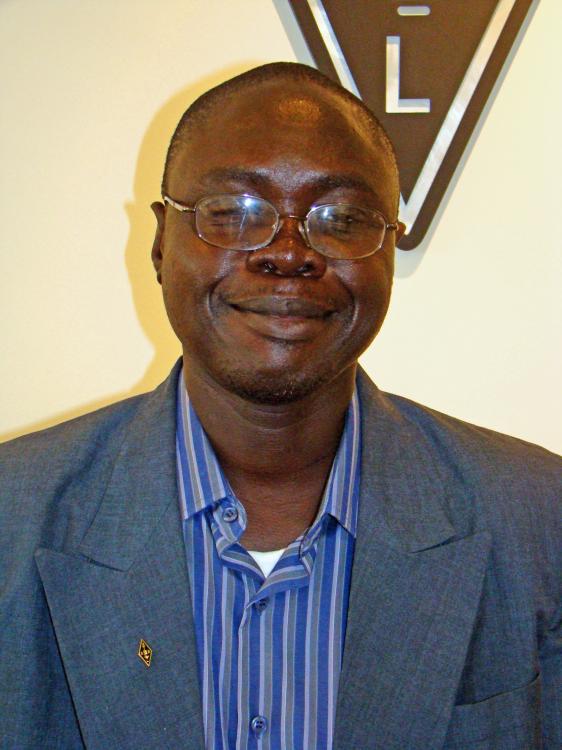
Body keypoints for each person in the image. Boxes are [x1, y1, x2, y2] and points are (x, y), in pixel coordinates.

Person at [0, 62, 560, 750]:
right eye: (236, 212)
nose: (288, 254)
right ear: (160, 242)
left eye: (343, 219)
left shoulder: (540, 520)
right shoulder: (12, 515)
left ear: (389, 250)